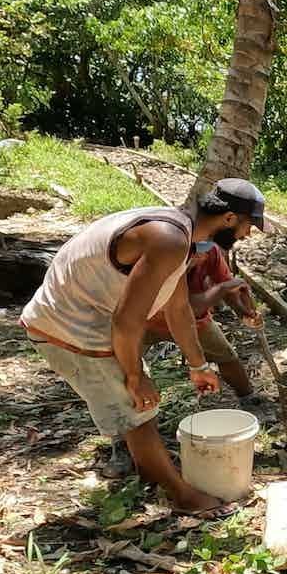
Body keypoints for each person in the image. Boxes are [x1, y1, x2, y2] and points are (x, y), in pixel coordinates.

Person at [21, 178, 268, 514]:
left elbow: (178, 308)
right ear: (228, 219)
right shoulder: (169, 240)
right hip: (69, 326)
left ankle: (152, 473)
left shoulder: (182, 235)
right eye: (248, 226)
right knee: (138, 408)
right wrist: (136, 376)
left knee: (138, 406)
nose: (247, 235)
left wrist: (199, 366)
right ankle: (180, 495)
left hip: (86, 316)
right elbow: (126, 321)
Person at [143, 241, 262, 398]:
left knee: (227, 357)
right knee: (126, 365)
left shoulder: (211, 253)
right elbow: (187, 308)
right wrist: (222, 289)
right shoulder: (165, 261)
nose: (202, 256)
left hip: (196, 322)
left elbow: (226, 285)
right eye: (195, 252)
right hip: (147, 322)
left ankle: (249, 398)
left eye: (204, 251)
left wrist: (244, 313)